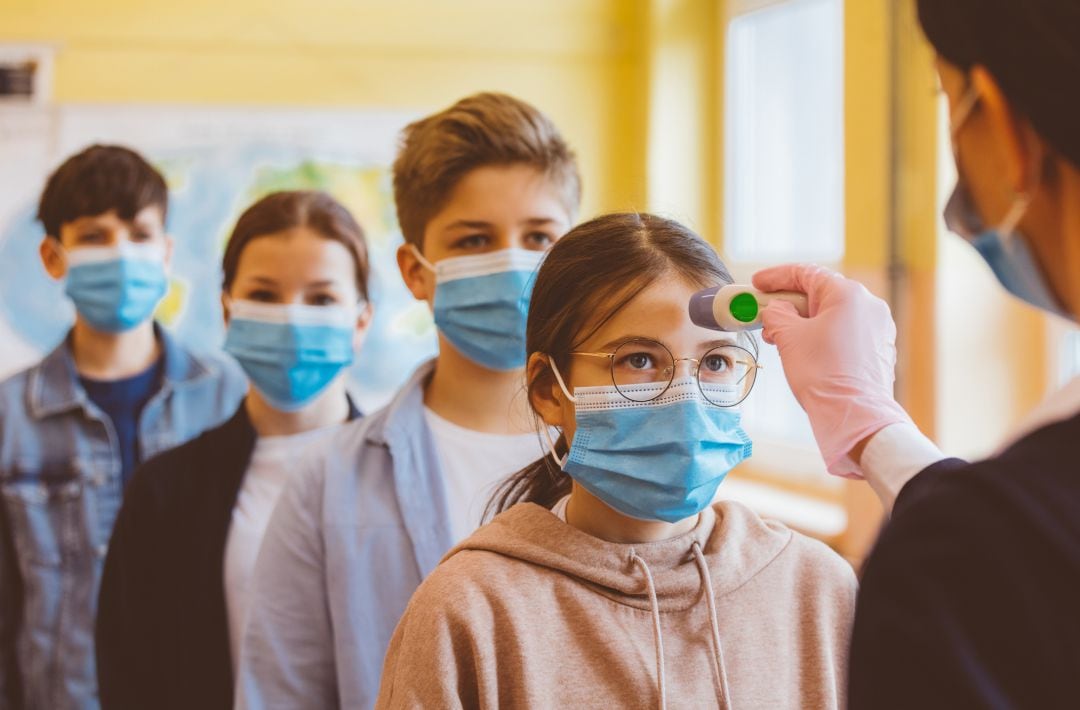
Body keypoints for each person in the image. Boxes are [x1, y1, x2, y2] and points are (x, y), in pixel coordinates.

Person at [375, 212, 857, 709]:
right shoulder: (470, 612)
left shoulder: (817, 589)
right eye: (639, 360)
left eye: (715, 363)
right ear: (548, 390)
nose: (685, 399)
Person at [752, 1, 1080, 706]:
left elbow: (1004, 550)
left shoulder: (963, 561)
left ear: (996, 117)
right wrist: (871, 427)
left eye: (945, 98)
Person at [235, 92, 581, 709]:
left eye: (539, 236)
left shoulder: (632, 461)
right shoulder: (325, 481)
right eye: (474, 239)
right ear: (415, 270)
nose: (512, 262)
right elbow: (280, 692)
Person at [94, 191, 372, 709]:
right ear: (228, 310)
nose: (292, 319)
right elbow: (129, 676)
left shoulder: (405, 478)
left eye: (321, 299)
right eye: (264, 295)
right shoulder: (163, 491)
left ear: (361, 321)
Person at [0, 145, 246, 709]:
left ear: (165, 252)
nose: (120, 254)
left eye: (138, 234)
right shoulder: (10, 417)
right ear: (53, 256)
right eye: (93, 236)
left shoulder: (230, 397)